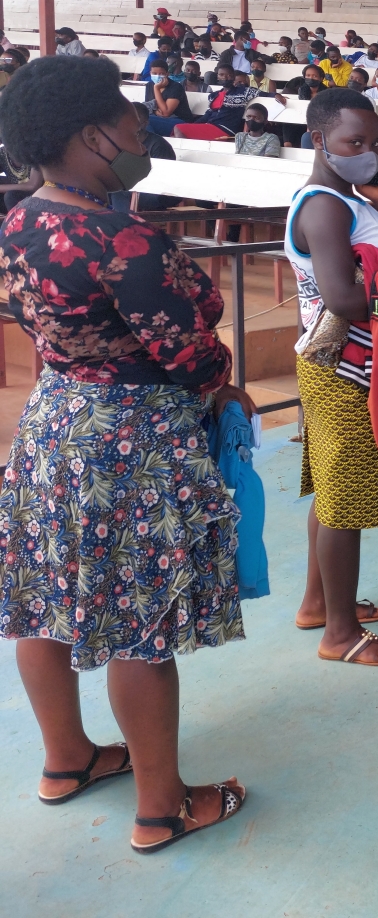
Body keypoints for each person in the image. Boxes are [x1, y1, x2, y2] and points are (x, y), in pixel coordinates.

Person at [0, 56, 253, 853]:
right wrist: (224, 383)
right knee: (138, 625)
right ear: (91, 136)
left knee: (43, 600)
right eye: (125, 118)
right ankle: (161, 808)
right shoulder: (124, 239)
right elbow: (188, 353)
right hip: (130, 442)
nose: (138, 130)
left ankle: (67, 760)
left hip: (54, 425)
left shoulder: (18, 219)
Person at [285, 89, 378, 667]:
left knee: (333, 490)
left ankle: (319, 603)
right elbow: (343, 297)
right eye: (354, 142)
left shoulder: (349, 199)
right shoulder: (324, 207)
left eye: (374, 143)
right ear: (319, 141)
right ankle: (340, 634)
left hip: (352, 362)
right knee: (343, 501)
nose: (368, 152)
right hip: (343, 365)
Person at [143, 59, 194, 136]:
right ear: (150, 73)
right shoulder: (149, 85)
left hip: (179, 122)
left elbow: (166, 113)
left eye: (161, 73)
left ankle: (153, 142)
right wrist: (155, 111)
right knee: (141, 118)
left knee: (146, 120)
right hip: (159, 119)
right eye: (154, 73)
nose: (157, 76)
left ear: (167, 74)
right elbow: (150, 106)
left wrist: (156, 88)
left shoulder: (176, 87)